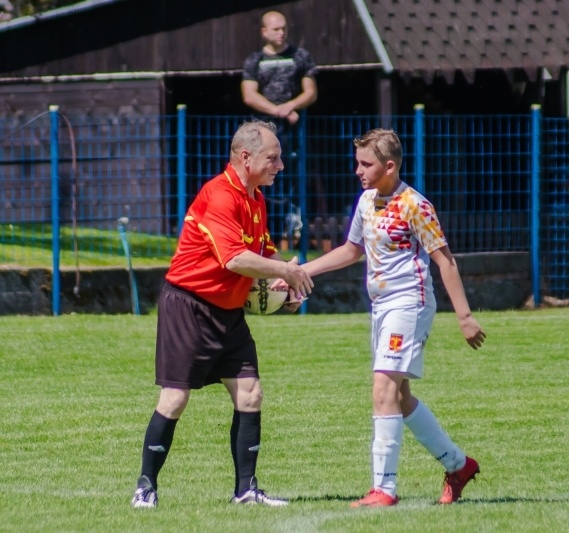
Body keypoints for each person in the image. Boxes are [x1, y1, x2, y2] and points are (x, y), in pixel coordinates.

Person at [130, 120, 314, 509]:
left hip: (229, 312)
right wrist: (286, 271)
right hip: (189, 306)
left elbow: (262, 256)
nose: (280, 165)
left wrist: (283, 290)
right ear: (245, 158)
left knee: (250, 393)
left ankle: (246, 490)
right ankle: (145, 486)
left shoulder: (256, 199)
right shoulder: (219, 195)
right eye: (273, 158)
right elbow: (233, 258)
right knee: (175, 398)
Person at [301, 129, 487, 507]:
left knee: (382, 388)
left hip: (410, 304)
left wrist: (464, 316)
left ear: (389, 166)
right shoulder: (367, 201)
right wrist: (303, 271)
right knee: (399, 397)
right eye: (357, 162)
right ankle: (458, 464)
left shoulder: (415, 205)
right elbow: (351, 250)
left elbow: (444, 260)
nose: (358, 170)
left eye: (365, 164)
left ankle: (383, 489)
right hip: (382, 307)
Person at [241, 10, 318, 131]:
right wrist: (277, 111)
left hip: (295, 125)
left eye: (284, 29)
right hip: (262, 126)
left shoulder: (301, 55)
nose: (281, 33)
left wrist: (290, 106)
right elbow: (249, 96)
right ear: (264, 32)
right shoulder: (254, 59)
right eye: (276, 29)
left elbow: (311, 93)